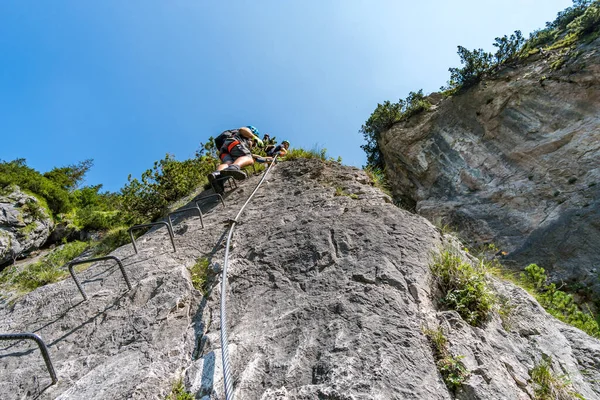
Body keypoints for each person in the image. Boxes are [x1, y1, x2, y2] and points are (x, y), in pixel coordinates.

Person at [208, 126, 263, 193]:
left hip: (225, 148)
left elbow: (243, 154)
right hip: (235, 143)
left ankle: (216, 175)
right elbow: (242, 129)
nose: (254, 145)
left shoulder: (235, 136)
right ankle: (233, 168)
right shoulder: (247, 132)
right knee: (249, 159)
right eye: (255, 143)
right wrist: (254, 137)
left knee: (228, 163)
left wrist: (259, 157)